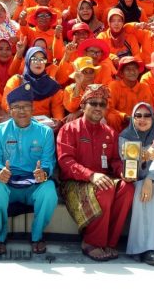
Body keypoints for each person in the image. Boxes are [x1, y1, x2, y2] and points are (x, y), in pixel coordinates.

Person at [57, 84, 134, 261]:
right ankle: (91, 242)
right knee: (106, 188)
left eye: (102, 104)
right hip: (74, 182)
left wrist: (123, 172)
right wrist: (91, 175)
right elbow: (65, 161)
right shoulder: (69, 129)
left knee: (127, 188)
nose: (99, 107)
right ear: (83, 106)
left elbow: (115, 160)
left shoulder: (110, 133)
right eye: (93, 103)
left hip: (101, 180)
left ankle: (109, 242)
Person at [0, 82, 57, 255]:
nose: (22, 111)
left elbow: (48, 161)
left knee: (49, 191)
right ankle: (0, 236)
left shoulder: (45, 132)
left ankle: (37, 236)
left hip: (33, 184)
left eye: (26, 106)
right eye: (17, 107)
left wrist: (44, 173)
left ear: (33, 109)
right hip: (7, 182)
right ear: (9, 110)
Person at [118, 102, 154, 265]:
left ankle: (152, 248)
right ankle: (144, 248)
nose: (143, 119)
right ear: (133, 118)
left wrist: (150, 179)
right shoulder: (125, 137)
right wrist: (143, 156)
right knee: (141, 188)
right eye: (138, 116)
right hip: (132, 181)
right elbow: (127, 165)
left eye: (147, 116)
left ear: (153, 118)